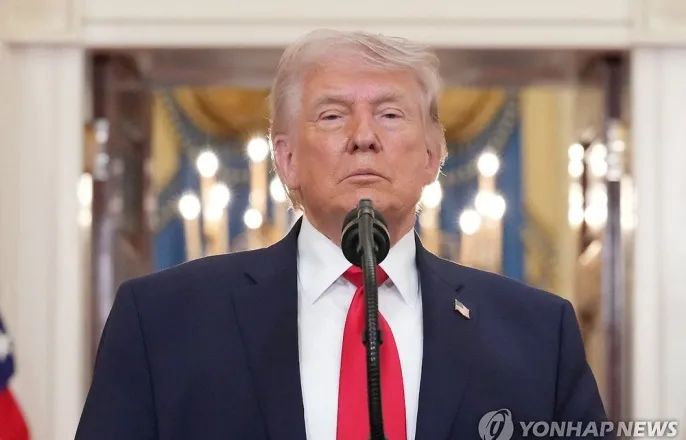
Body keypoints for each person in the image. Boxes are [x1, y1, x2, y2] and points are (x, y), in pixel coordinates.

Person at [75, 30, 609, 440]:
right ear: (286, 159)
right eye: (332, 116)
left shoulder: (538, 335)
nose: (363, 137)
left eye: (391, 114)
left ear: (432, 155)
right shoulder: (163, 322)